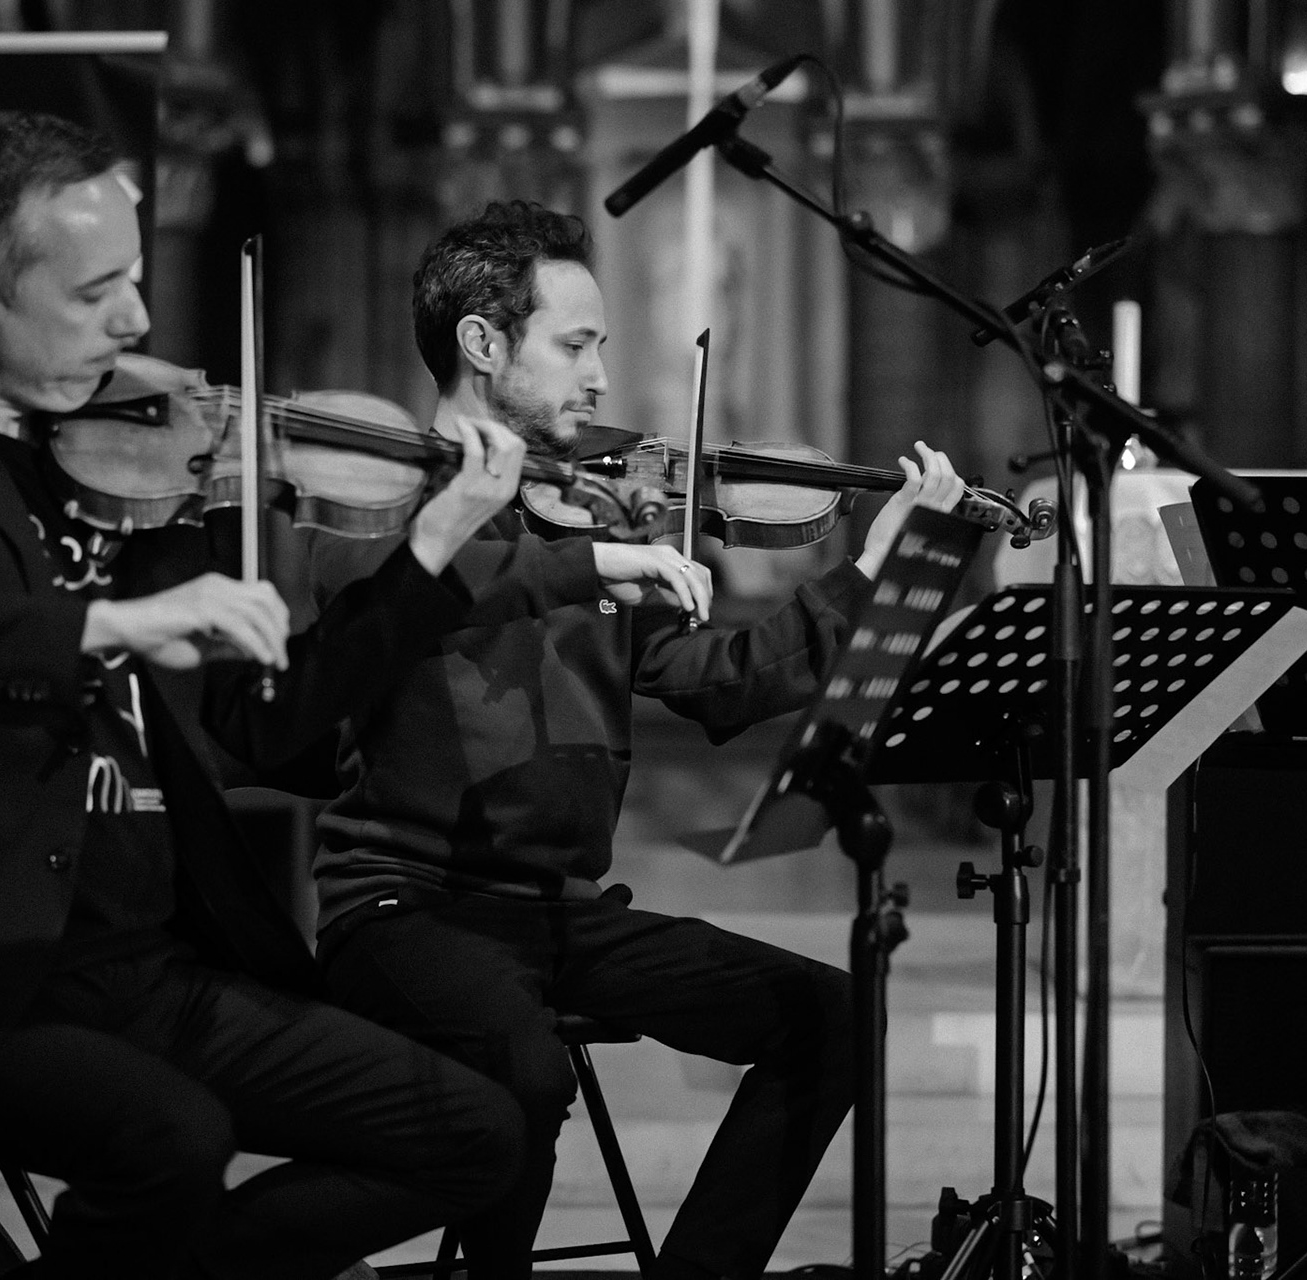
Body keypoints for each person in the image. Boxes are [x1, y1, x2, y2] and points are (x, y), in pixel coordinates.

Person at [0, 110, 543, 1280]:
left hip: (149, 959)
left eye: (135, 278)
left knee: (478, 1129)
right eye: (95, 293)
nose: (137, 318)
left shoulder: (142, 453)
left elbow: (263, 722)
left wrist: (430, 550)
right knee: (171, 1139)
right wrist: (104, 623)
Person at [301, 199, 966, 1280]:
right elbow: (398, 614)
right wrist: (562, 552)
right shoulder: (384, 510)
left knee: (834, 1015)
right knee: (522, 1069)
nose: (604, 374)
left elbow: (724, 685)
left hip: (561, 913)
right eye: (576, 344)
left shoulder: (601, 516)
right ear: (482, 343)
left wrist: (870, 571)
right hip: (404, 905)